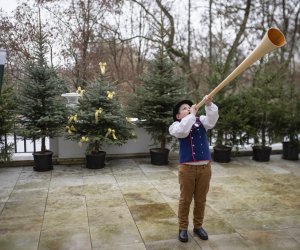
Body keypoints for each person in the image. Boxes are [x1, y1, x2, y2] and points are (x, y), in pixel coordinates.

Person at [169, 95, 219, 243]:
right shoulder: (175, 126)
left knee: (201, 199)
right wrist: (191, 115)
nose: (188, 109)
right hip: (187, 169)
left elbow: (212, 120)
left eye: (189, 107)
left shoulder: (201, 121)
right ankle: (183, 228)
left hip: (205, 168)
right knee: (185, 200)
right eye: (184, 109)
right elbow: (184, 130)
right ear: (178, 116)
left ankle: (198, 226)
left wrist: (209, 105)